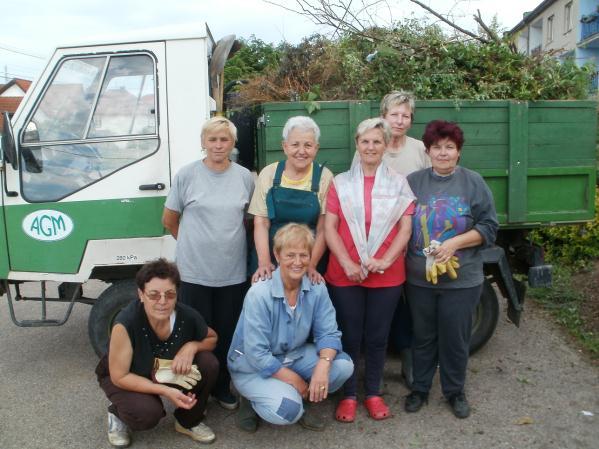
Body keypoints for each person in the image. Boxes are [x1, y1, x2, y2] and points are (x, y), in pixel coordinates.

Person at [403, 120, 498, 419]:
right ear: (428, 150)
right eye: (437, 147)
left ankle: (454, 391)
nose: (443, 153)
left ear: (458, 152)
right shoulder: (413, 182)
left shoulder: (473, 183)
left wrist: (455, 243)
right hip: (419, 278)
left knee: (455, 338)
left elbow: (489, 227)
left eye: (449, 148)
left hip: (463, 279)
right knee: (423, 335)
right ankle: (419, 388)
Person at [324, 118, 415, 422]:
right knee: (349, 336)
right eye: (365, 141)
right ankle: (348, 395)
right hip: (345, 272)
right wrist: (348, 263)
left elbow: (405, 228)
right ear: (357, 144)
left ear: (386, 145)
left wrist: (386, 260)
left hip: (386, 274)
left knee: (378, 337)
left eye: (377, 141)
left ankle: (373, 392)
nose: (371, 147)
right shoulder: (340, 182)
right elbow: (330, 227)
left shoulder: (399, 183)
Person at [162, 116, 254, 410]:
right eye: (212, 139)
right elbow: (169, 220)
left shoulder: (244, 177)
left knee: (227, 333)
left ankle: (222, 388)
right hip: (194, 272)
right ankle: (195, 389)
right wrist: (193, 245)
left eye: (224, 139)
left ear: (232, 144)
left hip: (232, 272)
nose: (218, 145)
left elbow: (249, 222)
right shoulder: (187, 175)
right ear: (203, 143)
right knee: (195, 334)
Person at [228, 223, 354, 432]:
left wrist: (323, 365)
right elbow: (257, 354)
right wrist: (297, 381)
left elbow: (329, 332)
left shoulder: (317, 288)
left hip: (292, 355)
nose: (298, 262)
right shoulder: (259, 293)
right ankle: (251, 399)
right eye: (290, 255)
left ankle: (295, 393)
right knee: (288, 411)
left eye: (304, 255)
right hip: (252, 366)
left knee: (342, 365)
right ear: (277, 255)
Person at [95, 259, 219, 447]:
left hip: (162, 368)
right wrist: (165, 391)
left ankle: (188, 421)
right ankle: (117, 414)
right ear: (141, 294)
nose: (162, 302)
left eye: (169, 294)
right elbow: (120, 376)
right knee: (147, 414)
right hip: (126, 374)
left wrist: (191, 347)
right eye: (153, 295)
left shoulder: (186, 315)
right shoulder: (125, 323)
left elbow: (212, 338)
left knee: (208, 363)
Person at [379, 90, 431, 388]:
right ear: (383, 115)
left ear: (411, 120)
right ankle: (380, 364)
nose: (399, 120)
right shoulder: (374, 145)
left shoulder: (420, 150)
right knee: (387, 300)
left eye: (405, 115)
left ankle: (411, 359)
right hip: (379, 238)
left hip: (413, 236)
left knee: (413, 299)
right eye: (394, 114)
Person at [249, 116, 334, 284]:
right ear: (285, 146)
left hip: (308, 259)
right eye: (295, 144)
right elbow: (261, 223)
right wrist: (264, 262)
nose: (301, 151)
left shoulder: (325, 177)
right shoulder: (269, 173)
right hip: (272, 256)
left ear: (316, 148)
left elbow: (323, 227)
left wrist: (311, 265)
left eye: (308, 145)